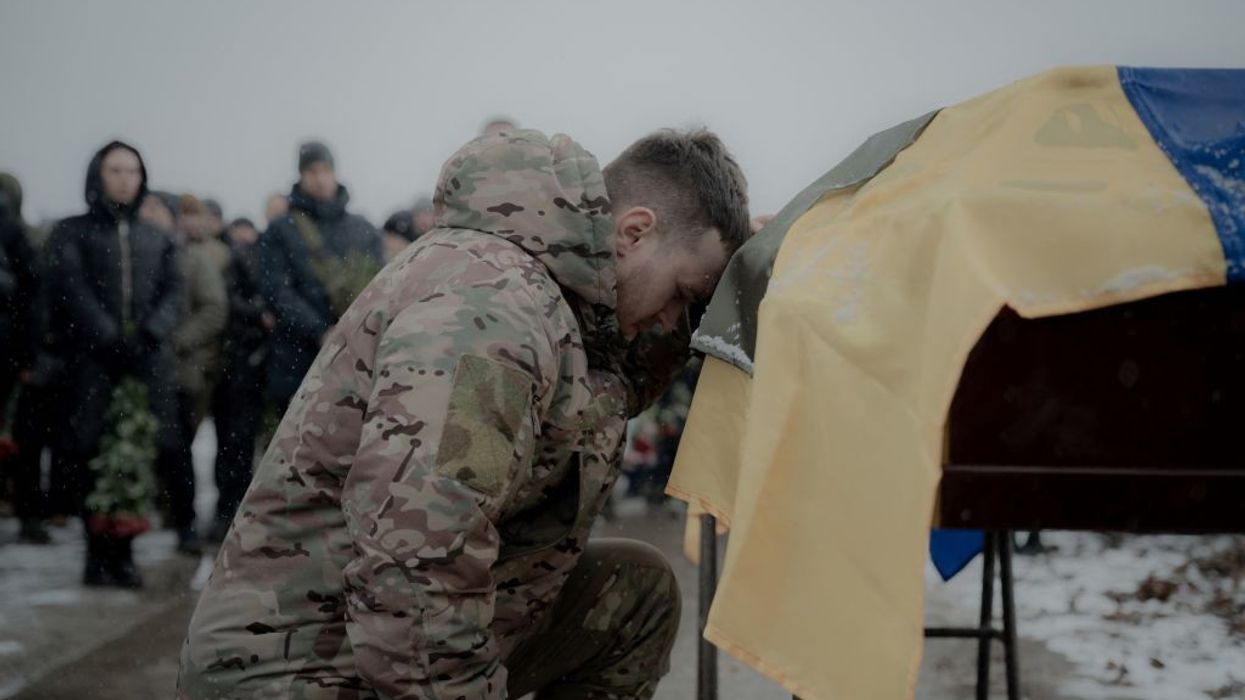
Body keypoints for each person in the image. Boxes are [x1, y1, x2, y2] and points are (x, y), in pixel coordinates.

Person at [179, 127, 750, 699]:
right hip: (301, 664)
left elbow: (606, 385)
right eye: (683, 293)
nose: (674, 319)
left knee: (633, 594)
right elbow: (416, 563)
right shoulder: (493, 310)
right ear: (634, 231)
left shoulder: (558, 292)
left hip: (367, 634)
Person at [44, 141, 183, 587]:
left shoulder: (157, 238)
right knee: (89, 452)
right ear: (97, 175)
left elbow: (173, 293)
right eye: (115, 169)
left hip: (145, 366)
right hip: (92, 364)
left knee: (135, 454)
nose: (125, 178)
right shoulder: (73, 232)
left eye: (132, 170)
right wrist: (106, 335)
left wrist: (147, 335)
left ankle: (123, 553)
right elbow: (70, 287)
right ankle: (95, 552)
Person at [258, 140, 382, 412]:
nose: (320, 178)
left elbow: (381, 287)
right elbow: (277, 290)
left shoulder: (362, 229)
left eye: (325, 170)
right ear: (301, 175)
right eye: (312, 171)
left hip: (354, 357)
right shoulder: (281, 230)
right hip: (297, 358)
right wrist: (319, 330)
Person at [208, 216, 273, 542]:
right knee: (235, 442)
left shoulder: (274, 257)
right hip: (241, 364)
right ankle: (228, 510)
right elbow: (227, 303)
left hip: (268, 363)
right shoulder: (240, 260)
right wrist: (258, 315)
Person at [0, 172, 44, 542]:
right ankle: (28, 513)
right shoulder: (22, 235)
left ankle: (28, 511)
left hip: (15, 354)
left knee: (26, 439)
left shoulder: (19, 236)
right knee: (26, 440)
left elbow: (33, 298)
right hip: (18, 353)